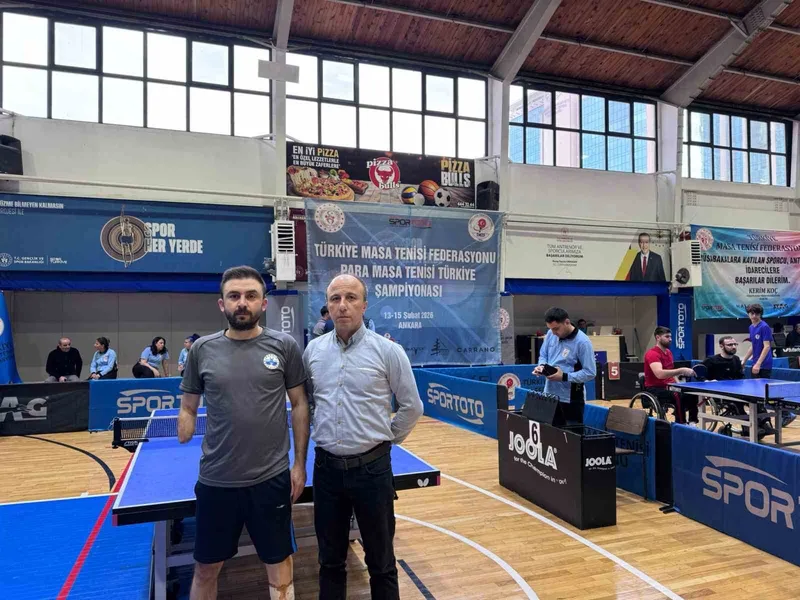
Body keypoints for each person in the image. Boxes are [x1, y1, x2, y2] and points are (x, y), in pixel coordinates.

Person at [178, 265, 310, 600]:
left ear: (263, 303)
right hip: (217, 480)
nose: (242, 302)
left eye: (251, 296)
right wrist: (185, 423)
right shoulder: (201, 350)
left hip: (271, 480)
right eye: (234, 296)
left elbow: (299, 404)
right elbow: (188, 406)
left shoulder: (284, 346)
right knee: (205, 569)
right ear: (221, 304)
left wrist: (299, 464)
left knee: (280, 565)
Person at [303, 274, 423, 600]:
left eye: (351, 298)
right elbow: (309, 402)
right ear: (327, 306)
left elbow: (412, 406)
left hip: (373, 472)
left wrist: (386, 440)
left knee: (381, 562)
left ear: (364, 305)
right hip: (326, 471)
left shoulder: (388, 351)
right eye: (335, 299)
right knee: (330, 561)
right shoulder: (313, 352)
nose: (343, 305)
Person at [532, 307, 597, 423]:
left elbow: (590, 372)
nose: (553, 333)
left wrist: (564, 376)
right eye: (550, 329)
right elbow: (543, 355)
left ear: (567, 322)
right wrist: (541, 367)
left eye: (556, 329)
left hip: (571, 399)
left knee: (571, 433)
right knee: (549, 433)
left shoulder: (583, 342)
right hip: (549, 395)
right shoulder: (551, 334)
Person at [643, 327, 697, 424]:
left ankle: (692, 422)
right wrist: (681, 370)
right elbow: (659, 374)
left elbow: (671, 371)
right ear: (658, 337)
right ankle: (681, 424)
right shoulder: (652, 354)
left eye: (671, 337)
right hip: (655, 388)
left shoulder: (668, 352)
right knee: (677, 395)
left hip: (670, 386)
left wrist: (679, 384)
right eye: (667, 337)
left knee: (691, 392)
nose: (670, 339)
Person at [742, 304, 773, 378]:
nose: (754, 316)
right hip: (755, 362)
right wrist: (744, 360)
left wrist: (758, 364)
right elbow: (753, 346)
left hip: (764, 364)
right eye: (752, 313)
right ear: (748, 314)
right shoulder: (751, 327)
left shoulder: (764, 327)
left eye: (757, 314)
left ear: (760, 314)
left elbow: (767, 346)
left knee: (763, 385)